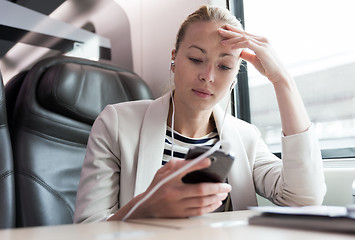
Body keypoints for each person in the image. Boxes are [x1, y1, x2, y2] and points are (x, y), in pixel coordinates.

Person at [73, 5, 326, 223]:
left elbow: (304, 199)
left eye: (225, 66)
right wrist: (145, 206)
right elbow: (88, 228)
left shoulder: (246, 137)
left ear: (234, 78)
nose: (208, 76)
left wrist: (281, 80)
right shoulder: (116, 124)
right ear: (174, 59)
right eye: (196, 59)